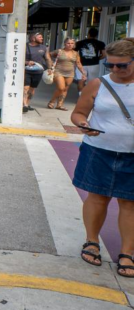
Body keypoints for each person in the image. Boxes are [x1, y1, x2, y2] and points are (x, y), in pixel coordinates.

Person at [70, 38, 134, 278]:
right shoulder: (98, 84)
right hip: (99, 150)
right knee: (97, 198)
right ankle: (91, 241)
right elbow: (78, 113)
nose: (116, 71)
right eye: (110, 66)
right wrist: (84, 125)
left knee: (130, 203)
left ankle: (127, 252)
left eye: (122, 66)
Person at [48, 38, 84, 110]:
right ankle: (52, 101)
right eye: (68, 43)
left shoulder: (75, 53)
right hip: (59, 71)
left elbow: (78, 63)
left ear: (74, 45)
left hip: (70, 73)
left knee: (65, 89)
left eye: (72, 43)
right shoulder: (59, 51)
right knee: (61, 88)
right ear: (64, 44)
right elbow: (48, 55)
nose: (70, 45)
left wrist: (83, 73)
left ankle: (60, 105)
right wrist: (50, 63)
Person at [23, 32, 53, 113]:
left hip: (38, 71)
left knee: (32, 89)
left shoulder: (44, 48)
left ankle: (27, 104)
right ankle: (24, 104)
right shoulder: (25, 46)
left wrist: (50, 68)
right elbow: (18, 58)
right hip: (26, 70)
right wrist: (27, 62)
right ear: (33, 38)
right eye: (40, 37)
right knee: (26, 88)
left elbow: (47, 58)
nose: (42, 39)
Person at [74, 27, 106, 92]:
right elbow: (104, 55)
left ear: (88, 34)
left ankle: (81, 97)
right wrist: (96, 59)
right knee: (91, 82)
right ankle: (88, 97)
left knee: (81, 81)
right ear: (96, 35)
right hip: (94, 65)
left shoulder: (79, 43)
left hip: (81, 64)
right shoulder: (100, 43)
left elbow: (74, 54)